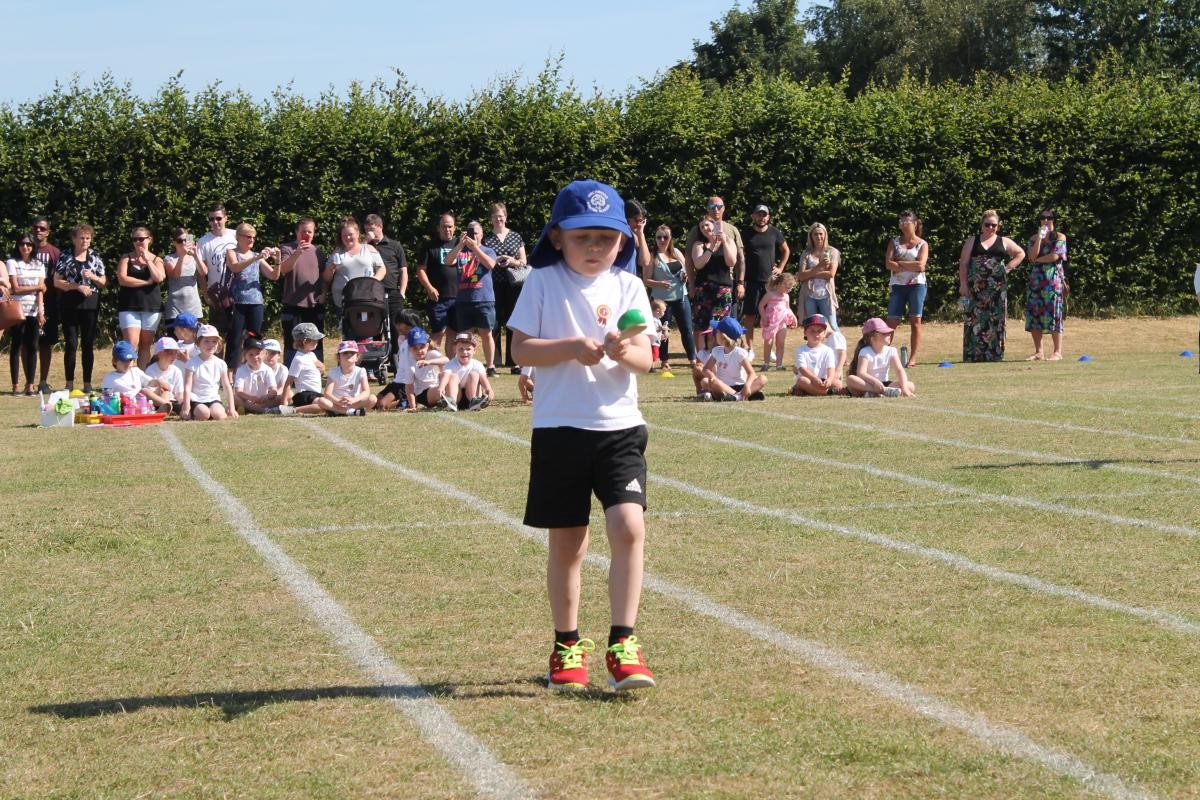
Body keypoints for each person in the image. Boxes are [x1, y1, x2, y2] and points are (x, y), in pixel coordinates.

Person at [509, 179, 656, 692]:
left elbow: (646, 358)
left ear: (622, 241)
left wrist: (622, 350)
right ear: (556, 237)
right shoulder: (542, 282)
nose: (595, 247)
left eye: (606, 238)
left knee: (629, 527)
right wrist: (572, 346)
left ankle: (624, 645)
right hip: (560, 428)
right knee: (569, 544)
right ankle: (566, 648)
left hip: (620, 428)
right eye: (582, 237)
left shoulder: (629, 286)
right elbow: (521, 350)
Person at [959, 210, 1026, 362]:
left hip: (997, 289)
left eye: (994, 225)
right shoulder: (972, 240)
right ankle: (973, 355)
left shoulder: (1004, 241)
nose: (990, 228)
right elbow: (963, 263)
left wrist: (1008, 268)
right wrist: (963, 284)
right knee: (974, 319)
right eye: (987, 224)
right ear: (982, 225)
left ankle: (995, 355)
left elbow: (1020, 253)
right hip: (975, 289)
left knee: (996, 319)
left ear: (998, 226)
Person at [54, 224, 107, 392]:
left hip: (90, 304)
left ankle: (87, 383)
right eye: (81, 238)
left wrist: (93, 277)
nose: (85, 241)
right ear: (74, 239)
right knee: (71, 343)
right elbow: (57, 281)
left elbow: (103, 282)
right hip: (70, 303)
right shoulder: (65, 255)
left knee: (87, 343)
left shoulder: (95, 256)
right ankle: (69, 383)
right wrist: (77, 286)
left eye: (88, 238)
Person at [643, 224, 698, 376]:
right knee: (663, 331)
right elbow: (646, 280)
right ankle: (664, 360)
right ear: (655, 239)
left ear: (670, 238)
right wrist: (659, 284)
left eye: (665, 237)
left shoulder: (677, 253)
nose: (662, 240)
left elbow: (687, 270)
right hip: (661, 301)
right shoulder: (652, 257)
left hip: (681, 297)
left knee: (687, 329)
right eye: (659, 237)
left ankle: (693, 359)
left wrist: (685, 277)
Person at [224, 222, 279, 372]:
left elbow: (273, 275)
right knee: (234, 338)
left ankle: (252, 368)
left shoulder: (256, 256)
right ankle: (230, 372)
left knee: (254, 337)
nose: (251, 240)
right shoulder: (231, 252)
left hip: (255, 302)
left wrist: (278, 260)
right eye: (248, 237)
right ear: (238, 237)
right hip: (237, 302)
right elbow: (235, 267)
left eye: (253, 237)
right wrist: (256, 258)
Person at [482, 202, 528, 373]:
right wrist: (495, 260)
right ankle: (494, 361)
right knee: (493, 321)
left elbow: (524, 261)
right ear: (491, 219)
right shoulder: (486, 238)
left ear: (506, 217)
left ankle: (513, 360)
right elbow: (481, 259)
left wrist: (511, 260)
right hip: (492, 283)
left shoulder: (516, 236)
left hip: (513, 284)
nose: (498, 220)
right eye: (495, 217)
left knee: (512, 321)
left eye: (501, 216)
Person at [448, 220, 498, 376]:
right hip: (464, 300)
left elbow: (490, 264)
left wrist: (475, 248)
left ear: (481, 235)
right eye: (470, 233)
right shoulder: (460, 251)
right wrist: (460, 245)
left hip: (483, 299)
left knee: (486, 334)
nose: (473, 236)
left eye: (475, 233)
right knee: (465, 337)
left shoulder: (488, 250)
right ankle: (466, 365)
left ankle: (490, 366)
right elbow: (448, 261)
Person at [276, 216, 327, 366]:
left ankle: (316, 372)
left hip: (313, 304)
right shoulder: (287, 248)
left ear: (314, 233)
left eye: (310, 232)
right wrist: (297, 252)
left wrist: (324, 293)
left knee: (315, 341)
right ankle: (291, 373)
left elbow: (324, 277)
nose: (306, 234)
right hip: (292, 303)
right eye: (303, 231)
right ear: (296, 232)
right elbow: (283, 269)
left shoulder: (319, 252)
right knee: (292, 341)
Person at [684, 195, 746, 315]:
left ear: (724, 208)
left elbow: (740, 258)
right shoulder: (696, 230)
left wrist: (740, 283)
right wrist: (691, 284)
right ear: (707, 208)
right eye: (712, 206)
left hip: (726, 283)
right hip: (703, 284)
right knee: (703, 323)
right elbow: (689, 260)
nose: (716, 209)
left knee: (725, 323)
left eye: (719, 206)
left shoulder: (732, 230)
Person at [740, 204, 790, 347]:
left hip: (770, 282)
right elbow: (739, 255)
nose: (761, 217)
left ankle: (769, 348)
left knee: (771, 315)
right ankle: (749, 348)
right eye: (759, 214)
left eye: (764, 215)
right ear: (753, 216)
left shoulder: (774, 232)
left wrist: (780, 267)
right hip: (751, 281)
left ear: (768, 217)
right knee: (750, 316)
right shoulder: (746, 233)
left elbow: (786, 250)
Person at [116, 226, 166, 369]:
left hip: (151, 307)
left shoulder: (156, 259)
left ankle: (142, 376)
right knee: (131, 343)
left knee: (145, 345)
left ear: (149, 240)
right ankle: (129, 374)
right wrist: (146, 282)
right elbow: (122, 279)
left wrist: (147, 261)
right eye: (135, 239)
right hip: (129, 306)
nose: (138, 242)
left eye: (141, 239)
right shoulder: (126, 258)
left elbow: (159, 277)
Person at [884, 211, 930, 368]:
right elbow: (888, 264)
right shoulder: (894, 242)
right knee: (891, 321)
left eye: (906, 222)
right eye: (901, 222)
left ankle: (913, 358)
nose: (903, 225)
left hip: (917, 285)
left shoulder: (922, 244)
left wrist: (899, 263)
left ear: (915, 224)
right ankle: (883, 355)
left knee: (915, 321)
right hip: (898, 286)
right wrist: (911, 265)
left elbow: (921, 266)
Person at [1024, 208, 1069, 361]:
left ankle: (1057, 352)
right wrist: (1039, 238)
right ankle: (1039, 352)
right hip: (1036, 281)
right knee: (1035, 314)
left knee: (1054, 314)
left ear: (1053, 220)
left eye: (1049, 218)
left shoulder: (1060, 237)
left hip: (1053, 280)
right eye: (1043, 218)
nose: (1046, 220)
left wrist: (1037, 260)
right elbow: (1031, 256)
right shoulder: (1033, 238)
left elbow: (1054, 256)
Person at [690, 217, 738, 356]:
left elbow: (731, 262)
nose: (705, 228)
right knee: (702, 326)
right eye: (702, 227)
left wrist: (723, 241)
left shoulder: (729, 241)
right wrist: (711, 247)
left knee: (719, 326)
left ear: (715, 225)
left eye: (707, 225)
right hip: (703, 290)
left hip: (723, 289)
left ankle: (718, 356)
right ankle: (701, 358)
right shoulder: (698, 245)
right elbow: (698, 264)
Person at [4, 235, 46, 395]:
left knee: (33, 346)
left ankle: (30, 384)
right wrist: (38, 287)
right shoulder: (12, 262)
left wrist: (41, 311)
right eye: (22, 244)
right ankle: (15, 385)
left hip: (33, 310)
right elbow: (15, 288)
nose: (25, 247)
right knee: (16, 345)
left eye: (29, 244)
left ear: (33, 247)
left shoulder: (39, 264)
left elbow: (41, 291)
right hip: (17, 309)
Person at [417, 214, 461, 351]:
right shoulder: (430, 246)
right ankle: (431, 361)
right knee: (438, 332)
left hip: (458, 297)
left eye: (450, 226)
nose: (447, 229)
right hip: (438, 298)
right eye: (444, 226)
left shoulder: (461, 245)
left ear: (455, 228)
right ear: (438, 228)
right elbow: (421, 270)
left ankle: (451, 363)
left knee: (454, 334)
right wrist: (429, 288)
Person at [698, 316, 767, 402]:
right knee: (705, 381)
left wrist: (747, 385)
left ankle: (733, 396)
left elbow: (751, 373)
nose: (715, 334)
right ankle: (741, 396)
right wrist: (711, 376)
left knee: (763, 378)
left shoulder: (739, 353)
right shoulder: (716, 351)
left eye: (717, 331)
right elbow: (706, 369)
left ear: (723, 336)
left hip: (740, 386)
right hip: (723, 385)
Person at [195, 203, 237, 337]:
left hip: (238, 291)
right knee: (217, 335)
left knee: (238, 334)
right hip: (217, 294)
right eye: (211, 219)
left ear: (226, 218)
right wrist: (206, 294)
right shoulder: (203, 241)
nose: (215, 222)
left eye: (218, 218)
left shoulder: (236, 235)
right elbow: (201, 273)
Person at [847, 318, 915, 397]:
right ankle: (883, 391)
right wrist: (875, 382)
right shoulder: (865, 352)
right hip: (869, 383)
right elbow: (861, 373)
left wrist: (904, 388)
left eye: (888, 332)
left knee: (910, 385)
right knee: (851, 379)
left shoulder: (891, 350)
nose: (889, 334)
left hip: (885, 384)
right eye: (884, 333)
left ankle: (877, 393)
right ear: (873, 338)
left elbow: (899, 370)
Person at [182, 324, 237, 420]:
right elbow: (187, 386)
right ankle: (193, 412)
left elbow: (227, 386)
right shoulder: (192, 363)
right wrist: (186, 406)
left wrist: (232, 408)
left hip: (213, 399)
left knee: (219, 415)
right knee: (204, 414)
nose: (211, 345)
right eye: (206, 341)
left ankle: (215, 411)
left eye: (214, 341)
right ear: (198, 343)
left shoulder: (221, 363)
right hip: (196, 399)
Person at [31, 216, 61, 394]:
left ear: (48, 232)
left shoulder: (54, 252)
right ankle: (29, 383)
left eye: (42, 228)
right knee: (27, 343)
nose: (38, 231)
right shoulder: (25, 248)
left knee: (46, 343)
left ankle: (43, 381)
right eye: (35, 227)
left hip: (49, 303)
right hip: (26, 302)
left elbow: (59, 279)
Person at [364, 213, 408, 328]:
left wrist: (402, 293)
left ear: (380, 227)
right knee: (373, 328)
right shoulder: (364, 247)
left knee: (395, 327)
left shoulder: (395, 245)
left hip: (392, 292)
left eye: (372, 229)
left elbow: (403, 270)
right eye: (367, 230)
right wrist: (365, 242)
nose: (369, 233)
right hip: (372, 293)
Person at [100, 340, 171, 408]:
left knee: (163, 389)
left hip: (143, 401)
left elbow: (149, 382)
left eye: (130, 360)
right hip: (127, 404)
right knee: (144, 391)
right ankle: (167, 405)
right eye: (124, 360)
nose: (127, 363)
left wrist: (158, 382)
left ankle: (164, 408)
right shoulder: (110, 378)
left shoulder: (135, 371)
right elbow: (105, 396)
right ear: (114, 361)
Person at [372, 310, 419, 411]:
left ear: (410, 324)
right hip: (397, 381)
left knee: (382, 406)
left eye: (400, 323)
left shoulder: (417, 343)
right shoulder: (401, 339)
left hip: (406, 383)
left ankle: (408, 401)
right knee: (374, 403)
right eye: (397, 323)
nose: (397, 326)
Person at [796, 223, 840, 329]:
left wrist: (810, 273)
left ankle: (836, 341)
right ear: (811, 236)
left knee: (832, 325)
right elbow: (801, 277)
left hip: (826, 294)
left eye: (821, 234)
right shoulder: (806, 254)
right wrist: (819, 267)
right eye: (815, 234)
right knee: (811, 326)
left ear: (825, 235)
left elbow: (830, 274)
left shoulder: (832, 252)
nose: (818, 237)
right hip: (809, 295)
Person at [438, 332, 494, 411]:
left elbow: (483, 379)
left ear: (474, 350)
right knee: (453, 376)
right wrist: (441, 387)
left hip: (471, 397)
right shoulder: (450, 364)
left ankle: (474, 402)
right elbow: (445, 376)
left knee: (474, 374)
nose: (464, 352)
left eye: (468, 349)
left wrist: (489, 389)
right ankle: (451, 402)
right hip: (457, 398)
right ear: (455, 349)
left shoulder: (477, 364)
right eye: (461, 349)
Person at [316, 340, 373, 416]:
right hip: (337, 403)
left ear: (357, 357)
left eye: (352, 353)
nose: (349, 355)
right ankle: (350, 412)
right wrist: (338, 401)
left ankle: (340, 412)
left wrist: (353, 400)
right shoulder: (334, 372)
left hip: (355, 403)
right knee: (321, 400)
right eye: (345, 353)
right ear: (338, 357)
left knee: (372, 399)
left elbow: (366, 391)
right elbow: (327, 393)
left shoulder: (361, 371)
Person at [281, 322, 326, 415]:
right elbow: (288, 382)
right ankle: (292, 410)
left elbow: (317, 370)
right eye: (314, 339)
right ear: (305, 341)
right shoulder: (298, 359)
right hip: (305, 395)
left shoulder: (312, 355)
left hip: (315, 394)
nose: (317, 341)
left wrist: (322, 369)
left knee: (328, 404)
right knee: (323, 406)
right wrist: (284, 402)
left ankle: (295, 408)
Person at [790, 313, 839, 396]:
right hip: (809, 379)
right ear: (805, 333)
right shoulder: (801, 350)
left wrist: (829, 380)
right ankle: (824, 393)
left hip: (823, 380)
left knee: (837, 383)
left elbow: (831, 368)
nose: (816, 335)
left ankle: (809, 391)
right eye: (812, 331)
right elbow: (802, 369)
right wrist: (814, 379)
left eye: (819, 331)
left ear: (824, 333)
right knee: (802, 381)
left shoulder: (828, 350)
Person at [757, 272, 797, 372]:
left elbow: (788, 308)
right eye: (787, 288)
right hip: (770, 322)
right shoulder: (770, 294)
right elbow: (761, 305)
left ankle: (779, 365)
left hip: (782, 323)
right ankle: (766, 363)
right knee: (768, 342)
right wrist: (764, 317)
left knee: (781, 343)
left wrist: (794, 317)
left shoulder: (786, 296)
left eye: (790, 288)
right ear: (780, 284)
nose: (788, 290)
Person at [400, 326, 448, 412]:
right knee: (439, 390)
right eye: (415, 348)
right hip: (423, 393)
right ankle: (445, 399)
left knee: (451, 376)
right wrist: (413, 407)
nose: (419, 351)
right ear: (409, 349)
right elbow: (409, 388)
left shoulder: (432, 354)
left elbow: (446, 360)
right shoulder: (410, 364)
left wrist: (428, 362)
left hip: (439, 387)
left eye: (422, 347)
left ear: (427, 346)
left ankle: (451, 401)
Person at [163, 227, 205, 321]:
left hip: (193, 307)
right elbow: (175, 275)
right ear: (174, 243)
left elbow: (204, 272)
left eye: (186, 240)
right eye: (180, 241)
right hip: (175, 308)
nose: (183, 243)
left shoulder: (194, 258)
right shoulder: (169, 258)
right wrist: (181, 256)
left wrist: (195, 255)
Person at [233, 334, 283, 414]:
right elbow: (238, 391)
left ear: (264, 354)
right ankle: (262, 410)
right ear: (245, 355)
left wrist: (267, 396)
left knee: (280, 397)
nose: (255, 357)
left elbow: (273, 390)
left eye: (258, 353)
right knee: (235, 398)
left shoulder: (267, 370)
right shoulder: (241, 370)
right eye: (251, 354)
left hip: (263, 401)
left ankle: (252, 409)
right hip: (247, 400)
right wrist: (251, 398)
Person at [144, 336, 184, 414]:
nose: (174, 356)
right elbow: (149, 393)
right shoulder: (150, 370)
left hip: (172, 401)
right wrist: (160, 389)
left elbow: (179, 393)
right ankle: (166, 408)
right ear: (159, 354)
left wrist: (183, 402)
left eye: (175, 353)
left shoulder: (176, 371)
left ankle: (169, 408)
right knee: (164, 391)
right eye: (170, 353)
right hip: (156, 401)